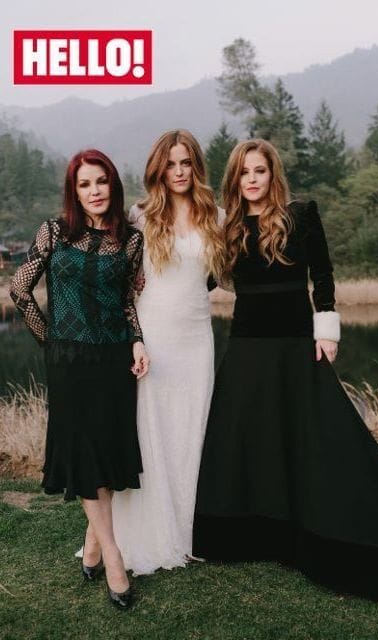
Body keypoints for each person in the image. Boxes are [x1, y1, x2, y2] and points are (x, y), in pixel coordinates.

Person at [193, 139, 378, 599]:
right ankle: (254, 534)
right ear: (235, 179)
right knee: (248, 440)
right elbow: (198, 281)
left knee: (314, 434)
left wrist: (327, 330)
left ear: (272, 174)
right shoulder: (228, 227)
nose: (252, 179)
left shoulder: (300, 214)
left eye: (260, 171)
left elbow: (323, 274)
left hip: (298, 343)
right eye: (244, 173)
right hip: (247, 347)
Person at [10, 149, 149, 609]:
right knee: (85, 449)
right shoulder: (54, 232)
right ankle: (113, 557)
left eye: (101, 181)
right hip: (69, 360)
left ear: (113, 185)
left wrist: (137, 340)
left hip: (112, 358)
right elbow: (19, 287)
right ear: (74, 190)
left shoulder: (130, 241)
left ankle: (92, 544)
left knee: (105, 449)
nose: (94, 191)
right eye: (84, 184)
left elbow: (127, 300)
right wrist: (48, 338)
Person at [112, 129, 226, 574]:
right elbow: (121, 283)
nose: (179, 172)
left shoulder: (214, 215)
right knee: (150, 432)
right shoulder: (140, 217)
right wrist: (134, 337)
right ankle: (143, 534)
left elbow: (219, 277)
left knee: (191, 431)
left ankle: (187, 532)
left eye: (187, 163)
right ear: (159, 169)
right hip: (153, 338)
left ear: (196, 167)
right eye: (171, 164)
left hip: (197, 338)